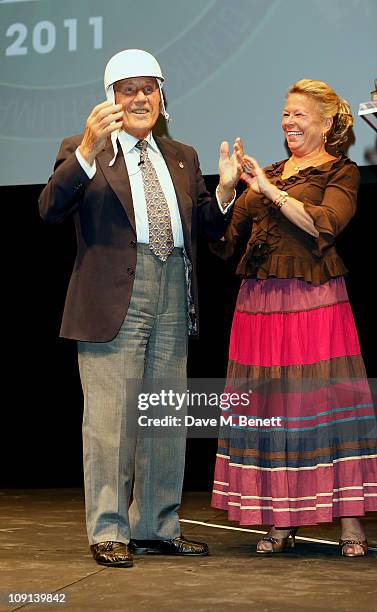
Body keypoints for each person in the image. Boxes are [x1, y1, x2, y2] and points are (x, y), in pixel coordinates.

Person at [39, 49, 243, 567]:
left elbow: (208, 233)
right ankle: (109, 529)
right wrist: (86, 151)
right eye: (127, 90)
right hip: (113, 295)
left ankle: (155, 525)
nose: (140, 99)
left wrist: (222, 194)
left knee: (165, 416)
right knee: (110, 421)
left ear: (161, 96)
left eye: (148, 88)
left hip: (174, 287)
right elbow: (49, 209)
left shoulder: (182, 156)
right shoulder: (85, 151)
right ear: (109, 99)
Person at [211, 79, 377, 557]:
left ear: (326, 124)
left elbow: (325, 223)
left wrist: (270, 190)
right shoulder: (272, 173)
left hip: (313, 303)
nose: (289, 122)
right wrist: (226, 190)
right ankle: (280, 519)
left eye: (300, 114)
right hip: (259, 307)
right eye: (286, 114)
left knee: (324, 406)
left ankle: (350, 523)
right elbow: (223, 241)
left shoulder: (339, 172)